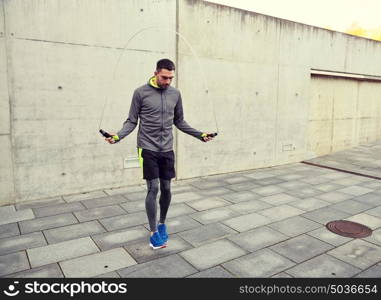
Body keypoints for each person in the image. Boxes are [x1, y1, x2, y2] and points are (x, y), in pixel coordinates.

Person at [105, 58, 214, 249]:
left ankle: (162, 223)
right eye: (164, 77)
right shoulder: (140, 93)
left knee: (167, 188)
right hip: (147, 147)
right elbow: (131, 121)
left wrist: (200, 135)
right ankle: (153, 231)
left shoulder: (175, 94)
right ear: (155, 73)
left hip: (167, 148)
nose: (168, 82)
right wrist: (117, 137)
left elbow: (179, 121)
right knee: (153, 188)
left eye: (171, 78)